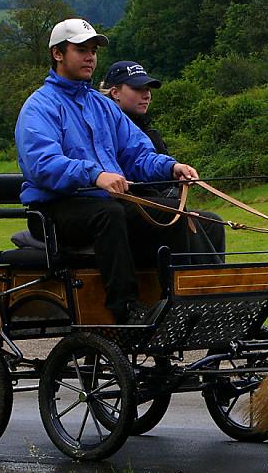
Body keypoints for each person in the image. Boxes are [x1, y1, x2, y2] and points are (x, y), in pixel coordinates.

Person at [14, 18, 202, 324]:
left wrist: (171, 166)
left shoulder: (102, 106)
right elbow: (42, 164)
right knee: (109, 213)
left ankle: (180, 301)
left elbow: (137, 153)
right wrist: (94, 174)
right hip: (55, 209)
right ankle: (124, 309)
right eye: (81, 50)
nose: (90, 57)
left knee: (173, 213)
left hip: (104, 202)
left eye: (93, 50)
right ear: (57, 54)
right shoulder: (40, 107)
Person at [99, 60, 226, 258]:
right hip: (128, 206)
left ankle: (209, 282)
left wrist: (175, 170)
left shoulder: (150, 133)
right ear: (115, 93)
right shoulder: (108, 127)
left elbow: (151, 163)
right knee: (177, 214)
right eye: (138, 88)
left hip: (155, 202)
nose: (147, 94)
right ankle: (204, 283)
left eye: (148, 89)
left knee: (213, 223)